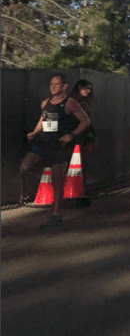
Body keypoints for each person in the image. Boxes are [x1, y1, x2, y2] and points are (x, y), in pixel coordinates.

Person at [17, 73, 92, 228]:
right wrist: (35, 131)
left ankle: (56, 214)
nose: (53, 87)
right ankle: (48, 182)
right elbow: (43, 119)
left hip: (59, 146)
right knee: (24, 167)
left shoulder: (71, 103)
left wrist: (71, 135)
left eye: (56, 84)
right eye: (51, 84)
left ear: (64, 86)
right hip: (42, 143)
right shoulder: (45, 103)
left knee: (58, 183)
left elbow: (85, 121)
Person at [71, 79, 98, 190]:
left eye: (89, 89)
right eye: (85, 88)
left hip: (85, 135)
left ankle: (82, 185)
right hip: (75, 135)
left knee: (84, 162)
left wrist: (93, 135)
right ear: (79, 88)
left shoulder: (86, 102)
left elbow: (88, 122)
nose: (88, 91)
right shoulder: (72, 102)